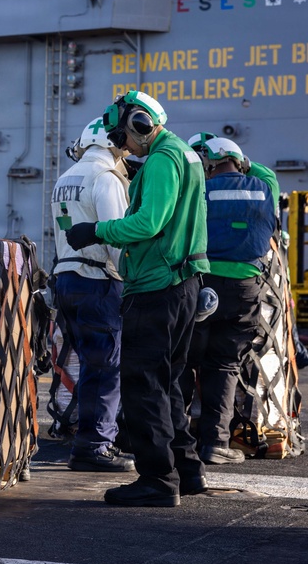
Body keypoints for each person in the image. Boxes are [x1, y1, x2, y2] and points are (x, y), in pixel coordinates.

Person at [66, 90, 209, 507]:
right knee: (167, 384)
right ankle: (187, 471)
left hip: (157, 286)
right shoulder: (185, 155)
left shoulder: (164, 159)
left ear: (140, 123)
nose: (122, 145)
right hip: (182, 284)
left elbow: (148, 223)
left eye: (123, 134)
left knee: (143, 385)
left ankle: (157, 481)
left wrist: (96, 231)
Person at [182, 136, 275, 465]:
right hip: (245, 287)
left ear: (209, 162)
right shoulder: (264, 188)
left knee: (186, 361)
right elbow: (267, 175)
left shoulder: (201, 189)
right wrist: (243, 160)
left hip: (203, 282)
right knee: (224, 364)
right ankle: (216, 445)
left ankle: (179, 441)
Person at [51, 118, 133, 472]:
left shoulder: (64, 179)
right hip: (98, 281)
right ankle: (95, 445)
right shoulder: (106, 179)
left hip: (66, 278)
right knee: (104, 367)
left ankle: (89, 437)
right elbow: (117, 237)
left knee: (88, 364)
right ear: (114, 146)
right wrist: (131, 281)